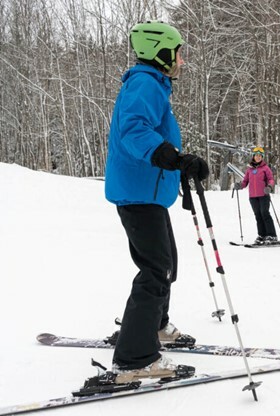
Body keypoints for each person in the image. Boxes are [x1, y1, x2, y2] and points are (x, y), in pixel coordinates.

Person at [105, 21, 208, 384]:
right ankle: (134, 359)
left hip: (146, 192)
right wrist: (171, 157)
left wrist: (177, 163)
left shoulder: (152, 83)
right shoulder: (146, 83)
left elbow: (150, 133)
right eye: (178, 52)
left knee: (166, 265)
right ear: (161, 53)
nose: (182, 59)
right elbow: (134, 129)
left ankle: (157, 326)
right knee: (155, 270)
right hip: (137, 194)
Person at [235, 146, 279, 245]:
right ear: (253, 156)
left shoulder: (265, 168)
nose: (258, 157)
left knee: (265, 213)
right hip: (253, 197)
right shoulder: (249, 169)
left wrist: (269, 187)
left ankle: (272, 235)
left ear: (262, 157)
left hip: (264, 194)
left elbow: (271, 179)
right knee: (258, 215)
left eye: (260, 156)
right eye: (256, 155)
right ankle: (262, 235)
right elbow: (245, 182)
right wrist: (239, 185)